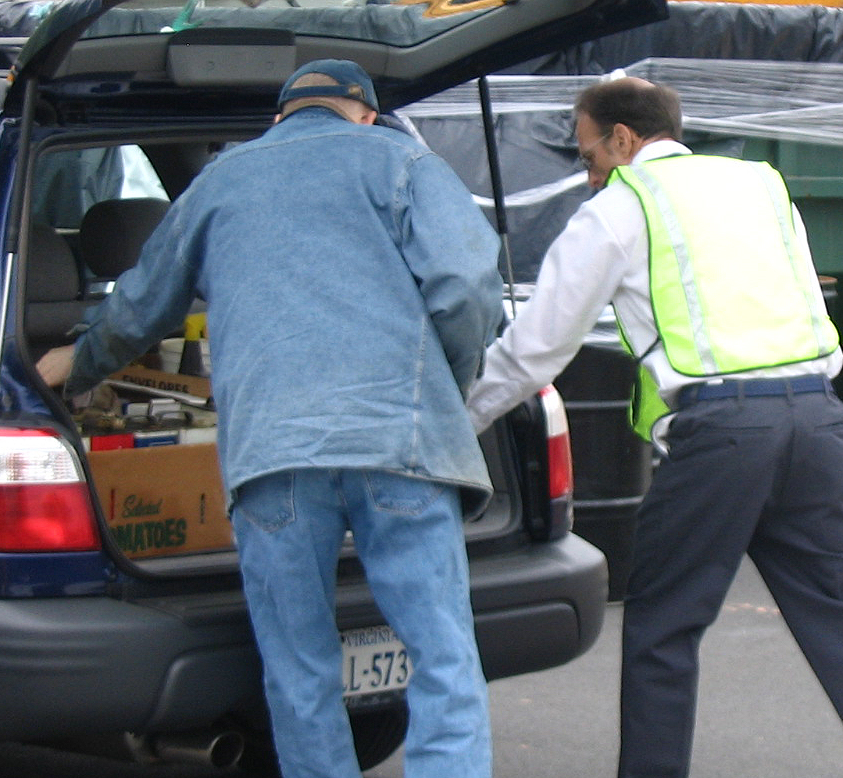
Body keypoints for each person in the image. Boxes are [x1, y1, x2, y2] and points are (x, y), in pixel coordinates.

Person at [466, 77, 843, 778]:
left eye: (589, 157)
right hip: (819, 421)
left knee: (664, 631)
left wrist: (461, 424)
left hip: (722, 435)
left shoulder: (620, 207)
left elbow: (538, 348)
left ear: (624, 139)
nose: (588, 174)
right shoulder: (760, 186)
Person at [35, 60, 502, 778]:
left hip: (273, 459)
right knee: (442, 655)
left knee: (298, 666)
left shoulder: (222, 181)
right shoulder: (406, 161)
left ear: (279, 116)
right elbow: (467, 285)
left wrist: (75, 365)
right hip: (401, 445)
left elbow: (140, 304)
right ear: (366, 114)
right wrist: (446, 384)